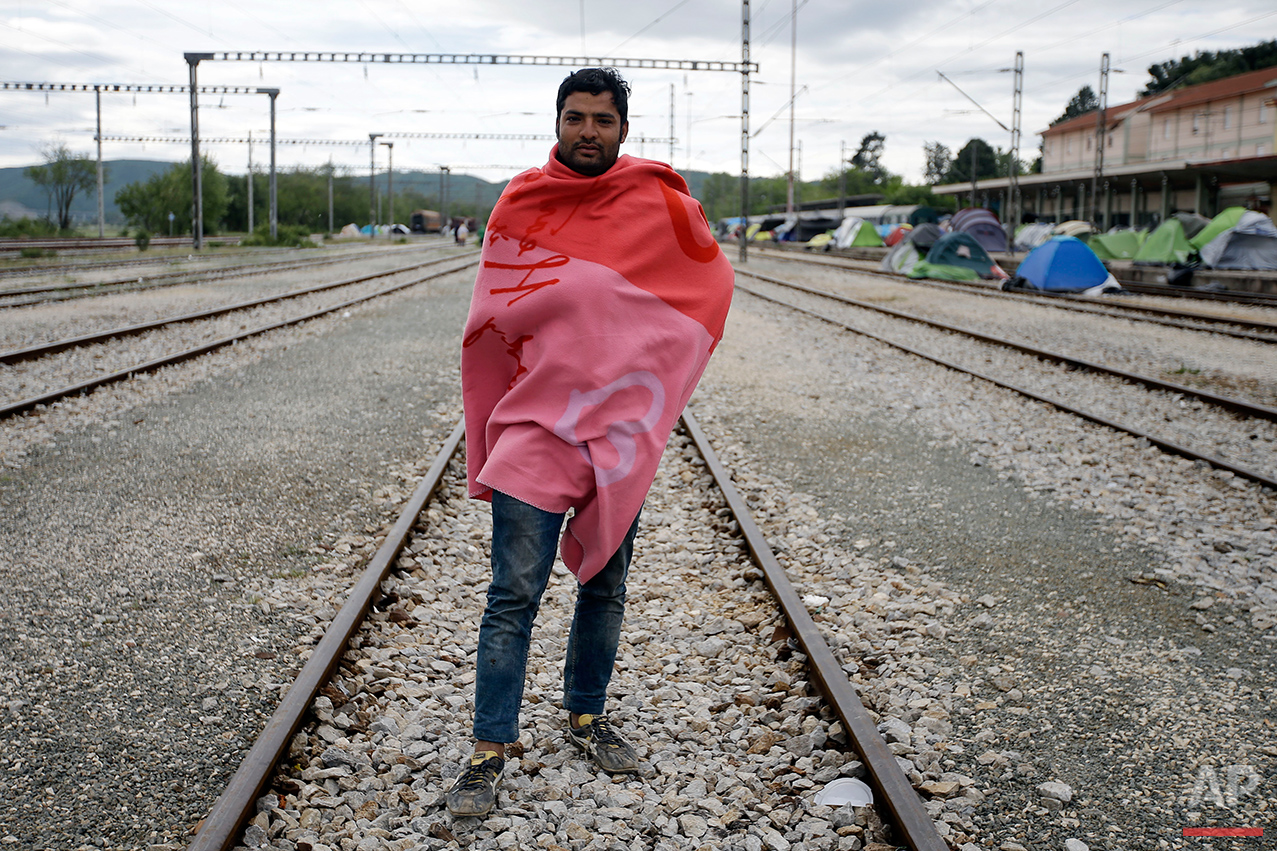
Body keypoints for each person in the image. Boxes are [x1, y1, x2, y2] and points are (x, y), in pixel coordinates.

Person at [449, 67, 735, 817]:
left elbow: (703, 281)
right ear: (557, 121)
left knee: (604, 584)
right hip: (534, 429)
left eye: (601, 121)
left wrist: (661, 373)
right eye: (574, 118)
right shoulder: (523, 202)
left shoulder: (653, 201)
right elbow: (491, 316)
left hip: (616, 431)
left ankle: (585, 713)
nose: (586, 132)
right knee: (513, 593)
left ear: (621, 130)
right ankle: (488, 747)